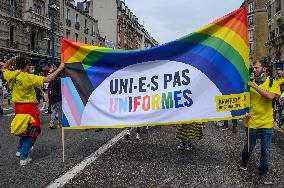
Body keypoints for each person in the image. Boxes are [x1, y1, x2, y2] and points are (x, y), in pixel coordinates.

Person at [0, 56, 64, 166]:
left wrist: (12, 59)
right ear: (26, 67)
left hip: (18, 108)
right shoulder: (28, 77)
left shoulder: (10, 74)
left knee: (23, 128)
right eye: (29, 65)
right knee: (32, 132)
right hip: (29, 108)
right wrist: (59, 68)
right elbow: (47, 79)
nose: (30, 67)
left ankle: (20, 150)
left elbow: (3, 68)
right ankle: (24, 157)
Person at [240, 60, 280, 185]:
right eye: (253, 68)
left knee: (265, 149)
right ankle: (244, 161)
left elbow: (270, 97)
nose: (254, 70)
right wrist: (245, 111)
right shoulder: (248, 84)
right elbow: (242, 100)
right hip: (251, 122)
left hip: (267, 123)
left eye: (256, 68)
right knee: (250, 146)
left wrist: (255, 87)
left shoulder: (273, 82)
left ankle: (262, 172)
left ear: (265, 69)